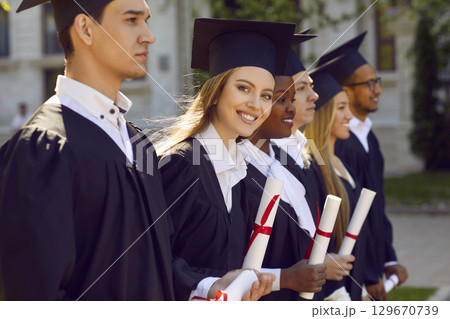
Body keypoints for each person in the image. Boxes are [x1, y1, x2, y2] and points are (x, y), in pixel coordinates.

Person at [0, 0, 175, 300]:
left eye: (146, 19)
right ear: (85, 29)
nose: (149, 35)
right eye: (132, 20)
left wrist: (208, 285)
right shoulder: (43, 148)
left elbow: (157, 263)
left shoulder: (138, 144)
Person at [157, 18, 296, 301]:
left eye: (266, 95)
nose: (256, 105)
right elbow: (153, 256)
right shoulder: (182, 164)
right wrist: (210, 286)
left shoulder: (240, 172)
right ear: (217, 89)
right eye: (244, 88)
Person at [318, 32, 408, 300]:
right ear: (345, 90)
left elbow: (376, 207)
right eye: (370, 84)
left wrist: (387, 259)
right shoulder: (341, 145)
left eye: (377, 82)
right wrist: (368, 275)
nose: (377, 89)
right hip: (350, 272)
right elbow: (350, 218)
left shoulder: (368, 137)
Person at [269, 36, 354, 299]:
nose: (314, 96)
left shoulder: (305, 150)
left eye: (310, 86)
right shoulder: (265, 161)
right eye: (302, 88)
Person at [239, 71, 327, 301]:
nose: (292, 108)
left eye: (292, 99)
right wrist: (285, 278)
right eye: (280, 99)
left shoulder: (284, 164)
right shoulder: (237, 174)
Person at [304, 58, 368, 301]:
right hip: (332, 291)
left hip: (351, 280)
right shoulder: (313, 169)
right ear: (323, 113)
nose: (350, 115)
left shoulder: (342, 165)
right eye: (341, 108)